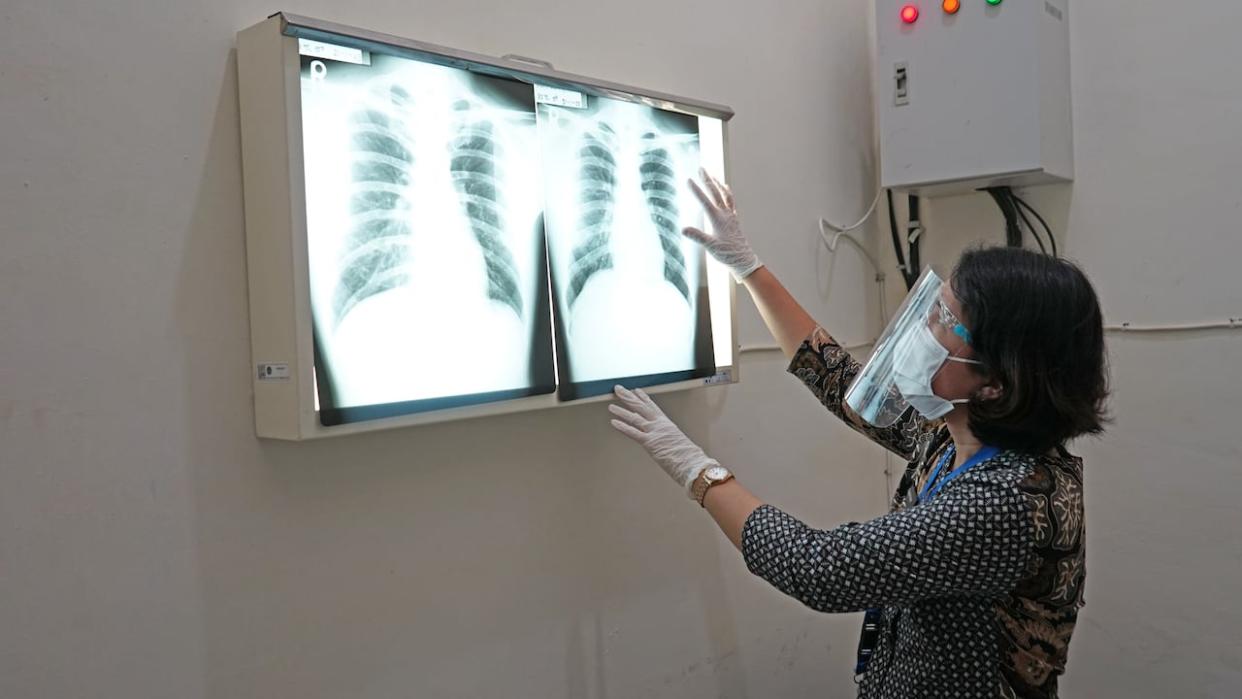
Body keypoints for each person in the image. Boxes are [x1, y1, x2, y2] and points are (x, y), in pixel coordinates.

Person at [609, 172, 1108, 698]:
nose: (923, 330)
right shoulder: (956, 435)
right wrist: (749, 268)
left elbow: (819, 569)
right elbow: (843, 385)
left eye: (944, 321)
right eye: (936, 306)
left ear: (995, 382)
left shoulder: (1003, 502)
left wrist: (697, 470)